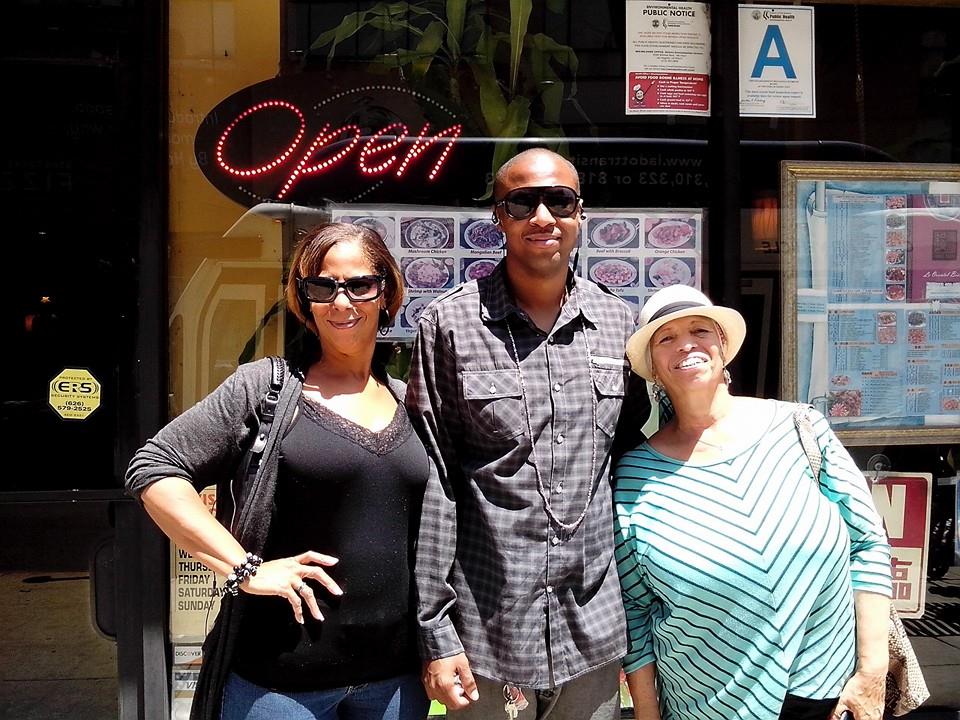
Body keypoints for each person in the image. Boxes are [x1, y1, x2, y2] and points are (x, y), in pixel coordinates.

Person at [125, 223, 430, 720]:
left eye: (359, 285)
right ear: (305, 300)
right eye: (322, 287)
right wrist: (244, 568)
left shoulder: (410, 401)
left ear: (386, 293)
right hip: (280, 687)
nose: (341, 302)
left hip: (393, 683)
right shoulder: (266, 388)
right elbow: (154, 468)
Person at [407, 148, 647, 719]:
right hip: (485, 628)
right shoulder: (448, 324)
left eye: (559, 201)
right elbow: (436, 480)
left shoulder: (620, 324)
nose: (543, 217)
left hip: (592, 626)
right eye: (522, 203)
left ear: (580, 213)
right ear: (499, 217)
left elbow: (634, 456)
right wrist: (435, 631)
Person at [614, 284, 892, 720]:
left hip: (827, 693)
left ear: (723, 346)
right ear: (653, 369)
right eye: (666, 337)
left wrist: (873, 672)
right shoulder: (635, 474)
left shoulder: (801, 428)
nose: (686, 344)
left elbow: (868, 543)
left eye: (700, 330)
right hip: (705, 704)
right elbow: (635, 608)